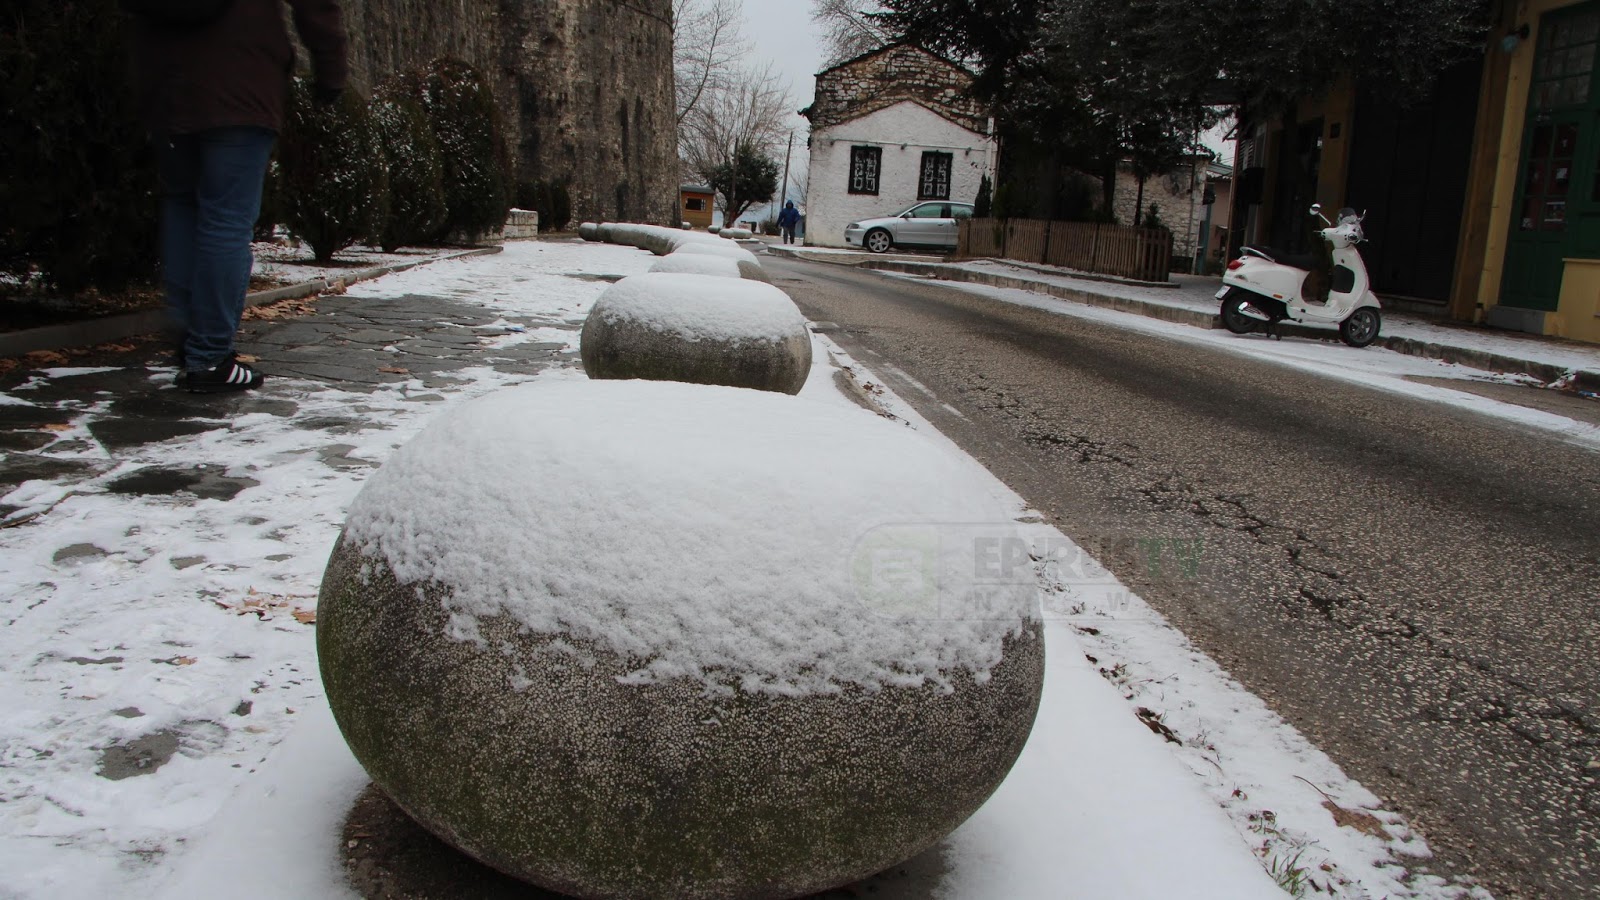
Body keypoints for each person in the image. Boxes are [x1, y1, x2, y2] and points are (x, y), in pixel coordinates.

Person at [126, 0, 348, 393]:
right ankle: (209, 354)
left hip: (166, 82)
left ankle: (189, 328)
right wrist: (330, 69)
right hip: (240, 78)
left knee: (181, 202)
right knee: (225, 218)